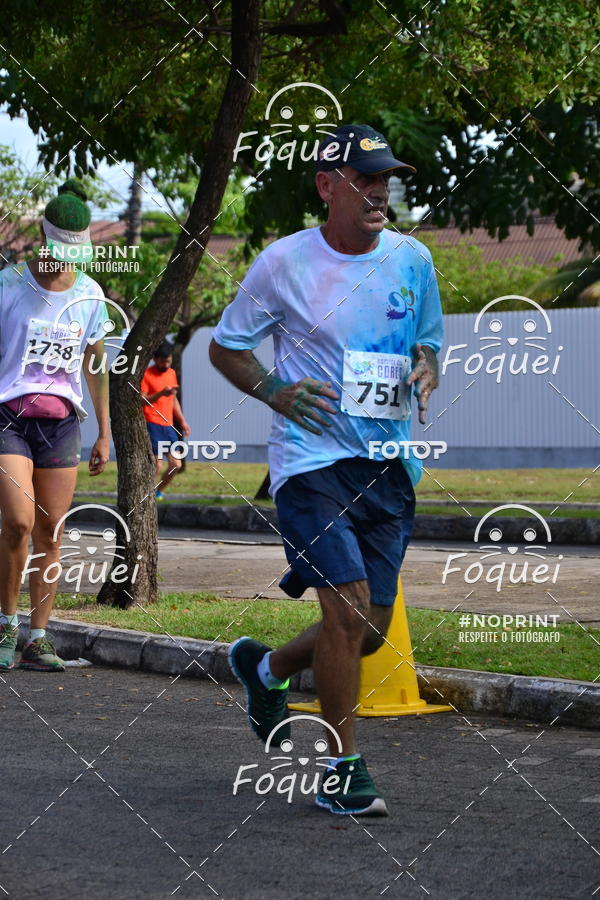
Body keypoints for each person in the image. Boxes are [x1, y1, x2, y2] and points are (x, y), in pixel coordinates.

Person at [210, 124, 444, 817]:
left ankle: (267, 667)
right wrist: (275, 390)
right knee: (343, 608)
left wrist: (428, 367)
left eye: (386, 180)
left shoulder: (413, 260)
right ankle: (342, 768)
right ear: (327, 185)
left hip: (388, 464)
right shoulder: (284, 264)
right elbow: (227, 349)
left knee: (367, 629)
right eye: (366, 179)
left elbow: (429, 340)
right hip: (311, 461)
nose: (380, 193)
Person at [0, 179, 110, 671]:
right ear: (45, 238)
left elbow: (96, 365)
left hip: (62, 424)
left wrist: (105, 431)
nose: (67, 257)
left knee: (50, 530)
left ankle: (38, 638)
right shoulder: (8, 285)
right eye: (61, 246)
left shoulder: (90, 293)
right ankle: (6, 626)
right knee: (18, 522)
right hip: (9, 418)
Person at [141, 342, 191, 499]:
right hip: (151, 422)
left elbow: (173, 399)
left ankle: (158, 491)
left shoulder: (171, 373)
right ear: (155, 359)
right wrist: (160, 394)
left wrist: (182, 421)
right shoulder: (147, 374)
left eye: (169, 361)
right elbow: (142, 400)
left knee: (176, 464)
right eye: (163, 361)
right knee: (156, 465)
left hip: (168, 424)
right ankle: (146, 496)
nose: (167, 364)